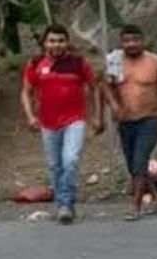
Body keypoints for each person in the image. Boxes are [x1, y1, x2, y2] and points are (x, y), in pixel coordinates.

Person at [20, 25, 103, 225]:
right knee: (54, 165)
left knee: (70, 160)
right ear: (44, 43)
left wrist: (97, 116)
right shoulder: (35, 63)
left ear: (67, 43)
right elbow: (26, 92)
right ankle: (62, 205)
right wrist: (30, 116)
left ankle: (66, 204)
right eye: (52, 41)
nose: (56, 45)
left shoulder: (78, 63)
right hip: (48, 123)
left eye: (60, 41)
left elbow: (95, 88)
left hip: (74, 120)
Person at [102, 24, 157, 221]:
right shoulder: (115, 61)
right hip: (125, 122)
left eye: (135, 40)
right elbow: (107, 86)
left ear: (142, 40)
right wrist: (113, 105)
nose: (131, 44)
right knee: (134, 166)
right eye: (127, 41)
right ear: (121, 42)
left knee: (139, 162)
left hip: (149, 120)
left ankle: (136, 206)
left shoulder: (154, 61)